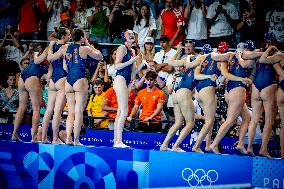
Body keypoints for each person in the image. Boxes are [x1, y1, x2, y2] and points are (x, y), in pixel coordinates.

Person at [48, 29, 103, 146]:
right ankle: (76, 140)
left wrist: (50, 46)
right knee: (78, 112)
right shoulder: (85, 49)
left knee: (71, 113)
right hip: (80, 79)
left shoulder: (64, 48)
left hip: (69, 81)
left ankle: (68, 138)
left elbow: (57, 62)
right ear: (82, 38)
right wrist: (88, 44)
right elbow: (100, 56)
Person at [209, 42, 254, 154]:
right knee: (230, 121)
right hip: (238, 90)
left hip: (229, 90)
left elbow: (214, 56)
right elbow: (243, 65)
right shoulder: (249, 57)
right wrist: (242, 79)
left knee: (247, 117)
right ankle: (214, 144)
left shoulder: (230, 54)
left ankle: (240, 143)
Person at [191, 43, 236, 152]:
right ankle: (196, 146)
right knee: (210, 121)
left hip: (197, 92)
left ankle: (207, 145)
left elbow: (196, 76)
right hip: (208, 90)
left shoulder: (202, 58)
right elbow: (225, 75)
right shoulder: (221, 60)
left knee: (208, 120)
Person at [244, 33, 280, 157]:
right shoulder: (277, 54)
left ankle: (249, 147)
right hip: (269, 85)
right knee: (269, 120)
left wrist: (262, 52)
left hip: (256, 87)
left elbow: (245, 54)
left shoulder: (259, 52)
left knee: (254, 119)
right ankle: (263, 149)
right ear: (274, 43)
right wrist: (268, 51)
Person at [160, 42, 199, 151]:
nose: (187, 48)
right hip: (185, 93)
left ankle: (164, 145)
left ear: (193, 48)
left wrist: (177, 51)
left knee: (178, 122)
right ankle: (176, 146)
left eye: (189, 46)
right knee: (190, 122)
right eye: (185, 46)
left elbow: (170, 62)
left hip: (176, 94)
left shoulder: (185, 60)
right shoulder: (197, 59)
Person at [12, 44, 49, 142]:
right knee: (36, 109)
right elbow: (48, 77)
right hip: (32, 78)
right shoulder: (49, 58)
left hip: (22, 76)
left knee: (21, 107)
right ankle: (34, 137)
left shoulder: (38, 56)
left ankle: (14, 134)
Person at [113, 29, 142, 147]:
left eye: (132, 33)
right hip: (119, 79)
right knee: (124, 112)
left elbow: (132, 73)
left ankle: (116, 141)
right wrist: (132, 60)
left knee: (120, 111)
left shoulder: (132, 51)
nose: (131, 35)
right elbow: (116, 66)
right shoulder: (122, 48)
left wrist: (142, 66)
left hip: (126, 80)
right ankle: (118, 142)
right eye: (128, 33)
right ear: (123, 36)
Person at [41, 28, 71, 144]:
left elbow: (50, 60)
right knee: (57, 111)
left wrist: (51, 44)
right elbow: (59, 64)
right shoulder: (66, 47)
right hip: (62, 79)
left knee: (49, 110)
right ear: (63, 36)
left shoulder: (51, 46)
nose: (70, 37)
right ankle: (54, 138)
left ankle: (43, 138)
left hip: (53, 80)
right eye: (68, 35)